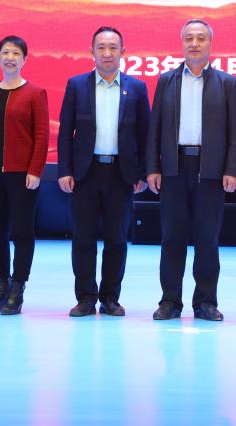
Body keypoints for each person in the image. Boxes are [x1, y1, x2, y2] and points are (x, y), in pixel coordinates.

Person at [147, 19, 236, 322]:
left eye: (201, 38)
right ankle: (170, 301)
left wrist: (231, 169)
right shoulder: (167, 80)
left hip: (210, 170)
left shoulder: (226, 82)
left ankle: (205, 302)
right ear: (182, 43)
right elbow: (154, 127)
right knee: (171, 239)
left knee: (207, 240)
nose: (194, 43)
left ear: (210, 43)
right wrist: (153, 167)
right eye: (189, 38)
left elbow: (234, 131)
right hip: (174, 168)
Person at [58, 27, 150, 317]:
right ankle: (85, 298)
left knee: (117, 240)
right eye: (101, 47)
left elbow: (145, 134)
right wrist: (64, 170)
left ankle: (110, 298)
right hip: (85, 173)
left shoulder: (137, 88)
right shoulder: (76, 85)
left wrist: (143, 173)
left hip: (121, 174)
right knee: (83, 239)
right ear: (92, 52)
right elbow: (65, 132)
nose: (107, 53)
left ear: (123, 52)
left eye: (113, 47)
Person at [0, 35, 49, 315]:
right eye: (5, 52)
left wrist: (35, 169)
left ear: (24, 59)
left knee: (22, 232)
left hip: (22, 175)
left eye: (16, 53)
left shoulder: (35, 93)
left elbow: (42, 135)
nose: (10, 58)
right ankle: (1, 288)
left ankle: (18, 289)